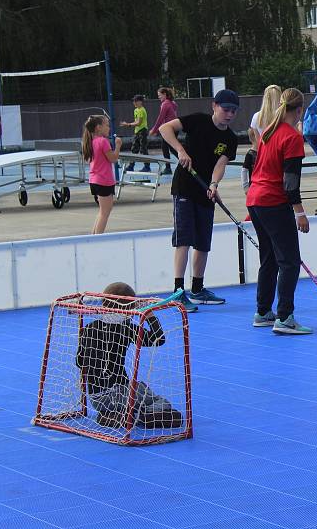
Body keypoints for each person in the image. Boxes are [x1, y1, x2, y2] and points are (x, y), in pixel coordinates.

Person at [158, 89, 239, 312]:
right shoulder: (197, 120)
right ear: (214, 106)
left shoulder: (230, 138)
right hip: (184, 187)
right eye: (225, 109)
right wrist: (180, 150)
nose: (229, 114)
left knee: (203, 242)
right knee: (184, 239)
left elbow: (220, 164)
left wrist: (214, 185)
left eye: (233, 111)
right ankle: (178, 292)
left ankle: (197, 289)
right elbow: (165, 129)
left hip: (205, 191)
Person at [245, 88, 313, 335]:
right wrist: (300, 213)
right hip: (273, 202)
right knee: (290, 261)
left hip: (255, 200)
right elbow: (290, 182)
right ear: (299, 110)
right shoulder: (292, 137)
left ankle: (263, 312)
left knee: (269, 258)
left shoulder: (267, 133)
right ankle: (284, 317)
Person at [76, 282, 183, 429]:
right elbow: (159, 339)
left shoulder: (88, 328)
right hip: (120, 392)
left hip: (95, 398)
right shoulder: (126, 328)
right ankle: (139, 416)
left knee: (138, 389)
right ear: (130, 308)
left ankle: (113, 414)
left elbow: (79, 362)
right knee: (162, 403)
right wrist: (149, 315)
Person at [81, 114, 121, 235]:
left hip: (95, 179)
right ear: (98, 127)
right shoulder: (103, 141)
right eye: (107, 125)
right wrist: (118, 146)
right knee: (105, 212)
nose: (109, 128)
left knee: (103, 211)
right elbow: (113, 158)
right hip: (103, 180)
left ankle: (94, 236)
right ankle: (97, 239)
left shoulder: (91, 142)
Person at [243, 85, 282, 193]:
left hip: (264, 156)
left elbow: (258, 141)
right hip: (280, 155)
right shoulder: (283, 116)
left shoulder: (257, 117)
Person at [149, 87, 178, 175]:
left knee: (166, 147)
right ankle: (183, 161)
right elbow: (167, 118)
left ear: (165, 94)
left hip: (170, 128)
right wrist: (158, 130)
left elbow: (161, 118)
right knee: (171, 147)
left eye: (159, 95)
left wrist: (154, 130)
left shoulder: (165, 104)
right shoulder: (172, 103)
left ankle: (170, 167)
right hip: (174, 128)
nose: (159, 97)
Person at [121, 95, 150, 172]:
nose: (134, 102)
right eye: (133, 101)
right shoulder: (136, 110)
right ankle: (131, 166)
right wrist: (129, 124)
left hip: (142, 131)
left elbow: (139, 123)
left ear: (140, 101)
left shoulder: (142, 110)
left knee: (143, 149)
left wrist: (128, 124)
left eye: (136, 101)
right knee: (134, 149)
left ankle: (147, 167)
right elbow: (136, 121)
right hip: (137, 132)